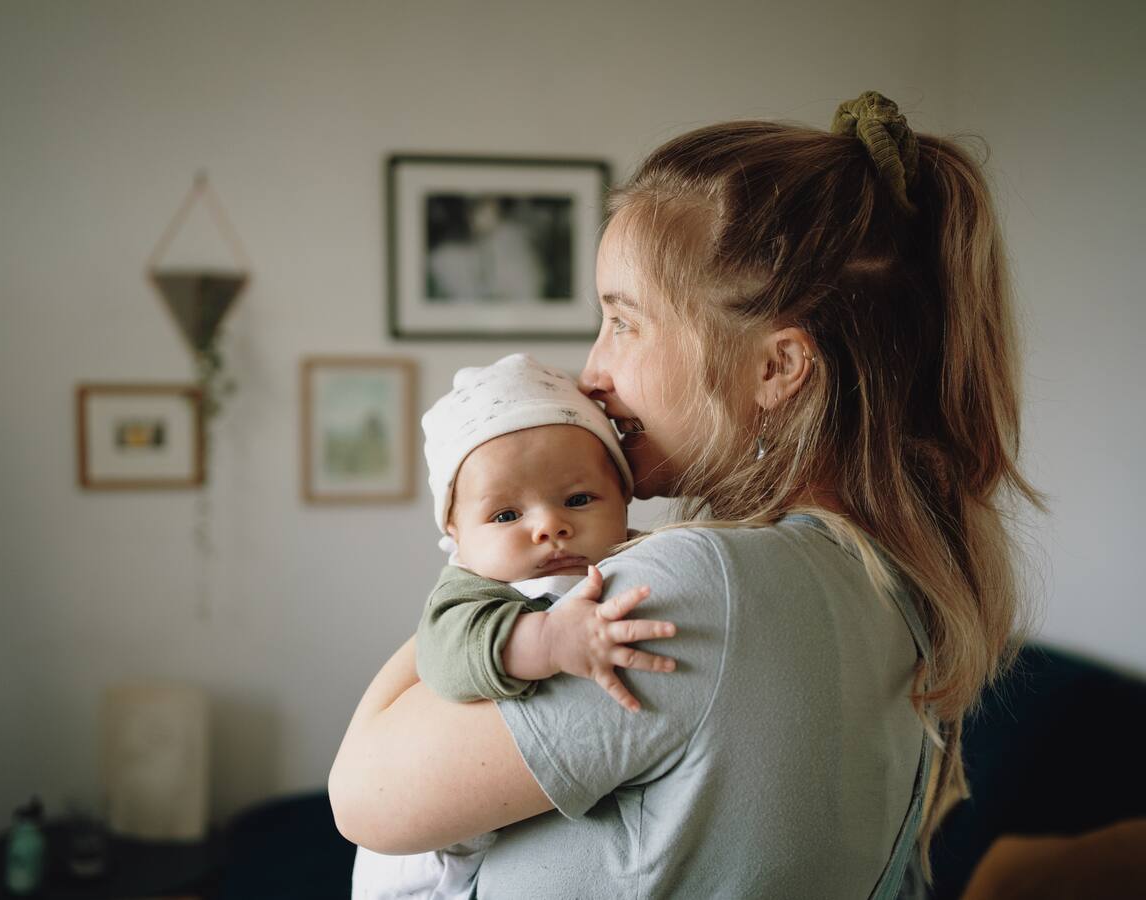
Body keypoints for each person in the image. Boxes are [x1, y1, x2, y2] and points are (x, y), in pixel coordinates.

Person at [330, 91, 1042, 898]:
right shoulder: (892, 584)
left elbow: (362, 796)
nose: (593, 371)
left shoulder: (704, 585)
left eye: (623, 322)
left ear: (776, 368)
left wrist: (477, 564)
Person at [352, 353, 677, 900]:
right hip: (427, 867)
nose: (550, 525)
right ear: (456, 531)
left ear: (623, 497)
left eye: (578, 499)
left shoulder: (643, 559)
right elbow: (445, 660)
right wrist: (548, 640)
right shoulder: (468, 591)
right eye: (506, 515)